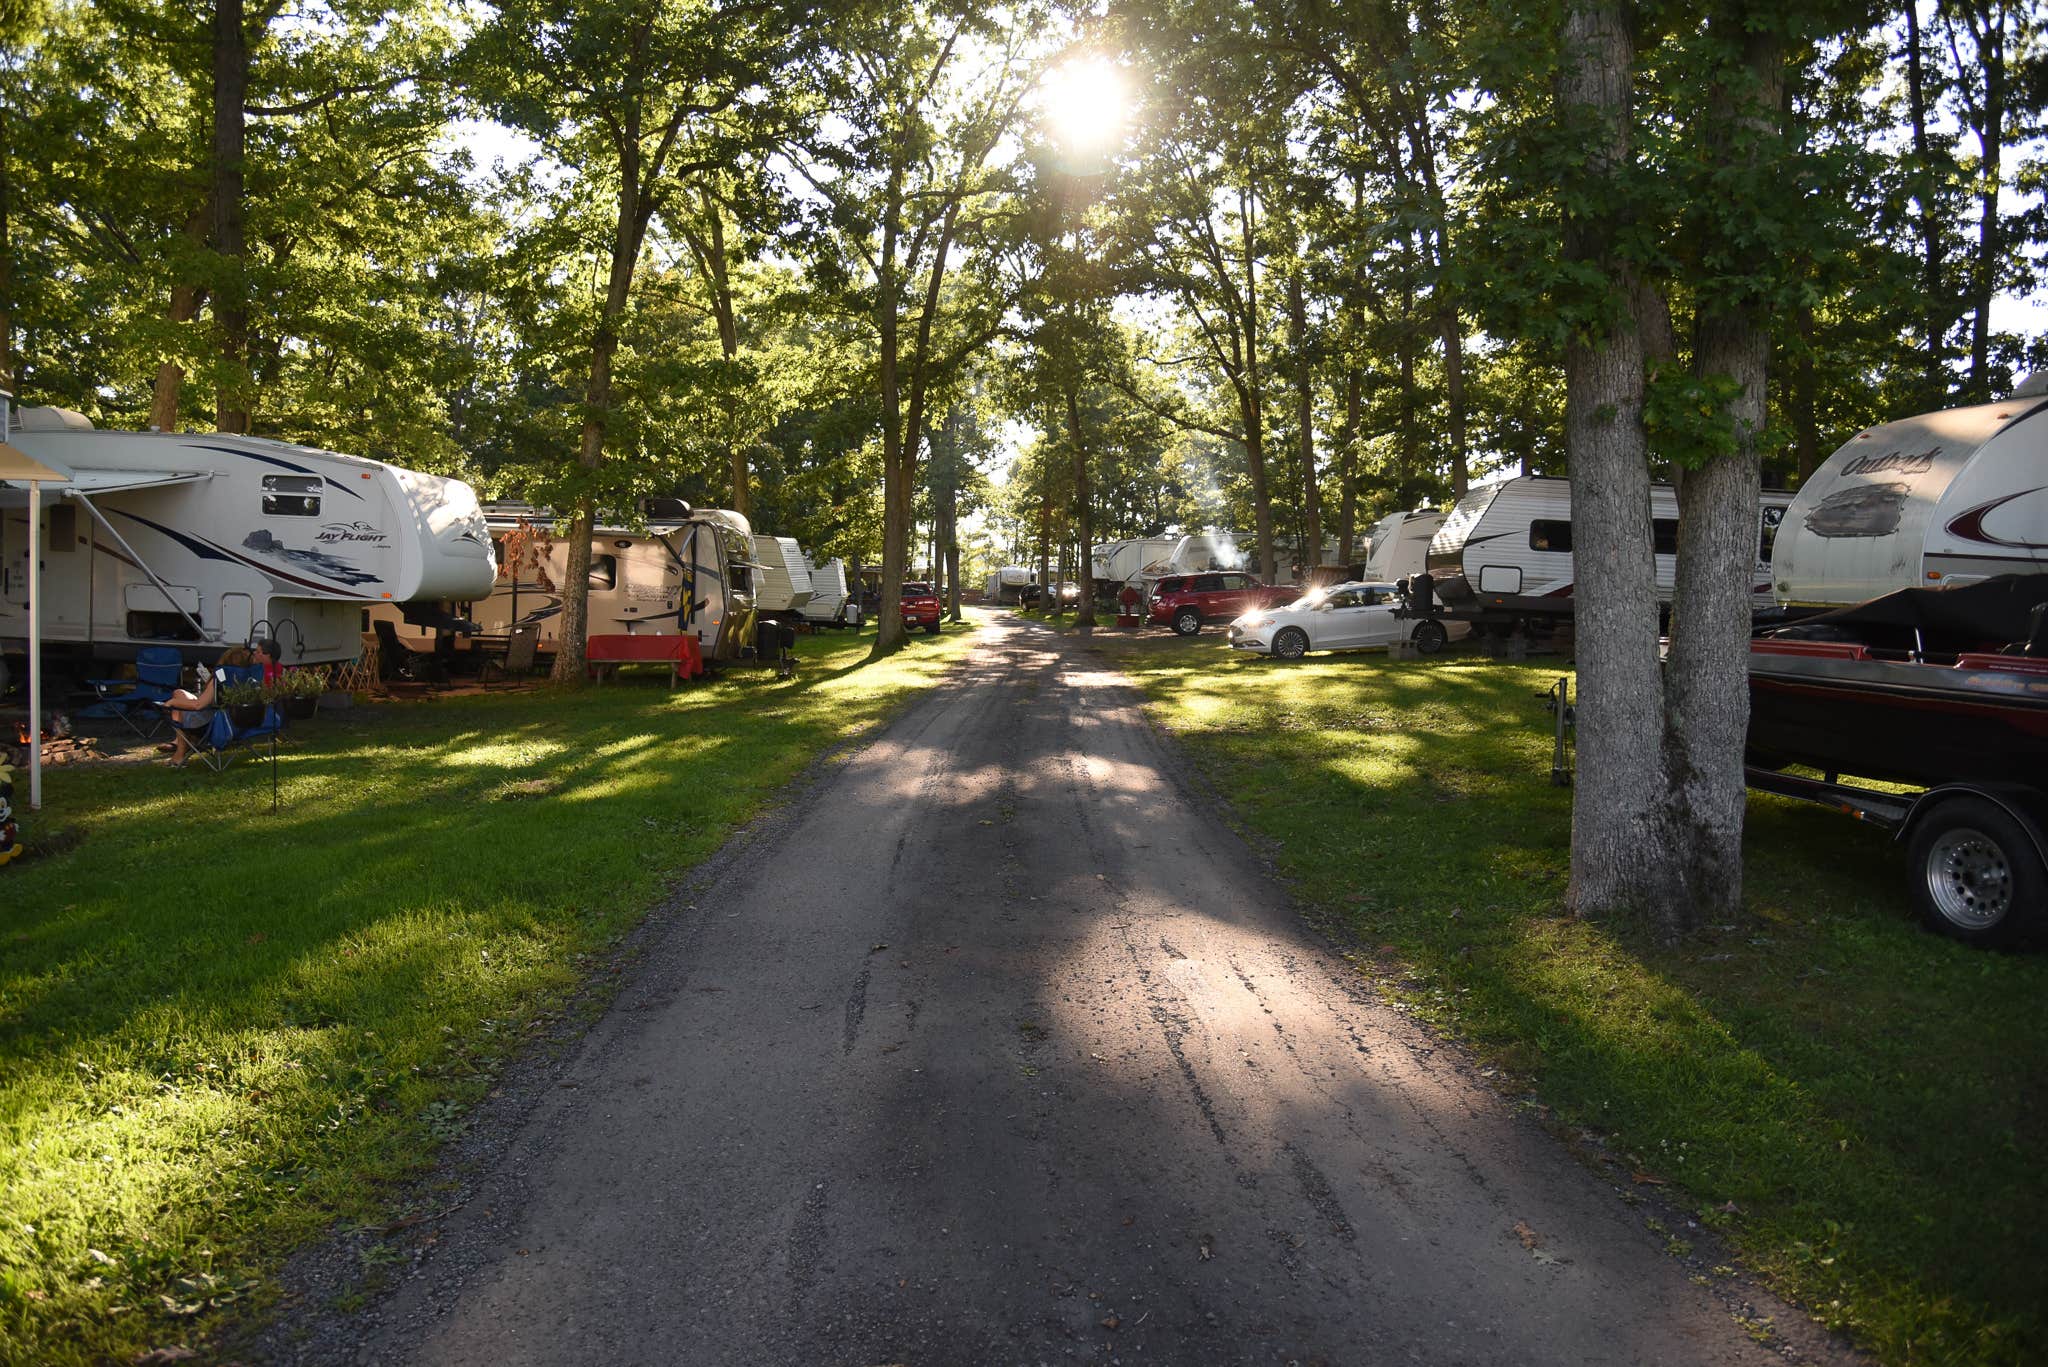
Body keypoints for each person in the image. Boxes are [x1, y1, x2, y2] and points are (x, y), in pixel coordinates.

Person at [158, 646, 255, 765]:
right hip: (238, 724)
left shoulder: (221, 679)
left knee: (178, 705)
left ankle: (180, 753)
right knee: (179, 693)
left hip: (212, 725)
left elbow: (198, 705)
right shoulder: (250, 680)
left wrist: (172, 702)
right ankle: (183, 743)